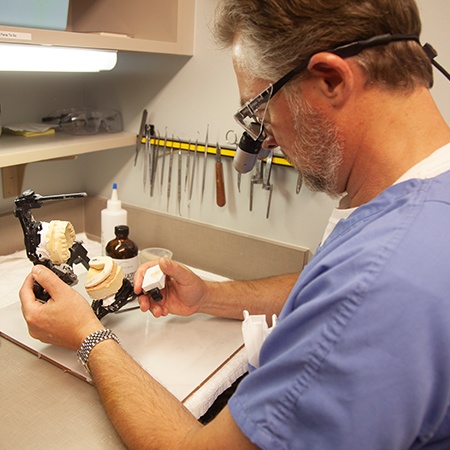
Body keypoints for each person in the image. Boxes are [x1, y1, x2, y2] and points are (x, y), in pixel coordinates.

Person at [19, 0, 450, 448]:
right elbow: (323, 287)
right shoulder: (421, 192)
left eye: (259, 111)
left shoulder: (378, 284)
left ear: (331, 79)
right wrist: (210, 296)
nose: (264, 142)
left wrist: (88, 335)